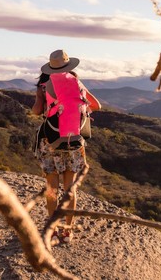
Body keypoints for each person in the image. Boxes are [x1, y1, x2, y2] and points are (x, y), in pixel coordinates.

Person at [31, 49, 101, 244]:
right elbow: (97, 105)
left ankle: (52, 230)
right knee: (70, 188)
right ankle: (68, 231)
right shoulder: (76, 82)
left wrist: (46, 105)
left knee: (52, 188)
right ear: (69, 65)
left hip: (50, 141)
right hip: (73, 140)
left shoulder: (44, 86)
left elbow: (36, 111)